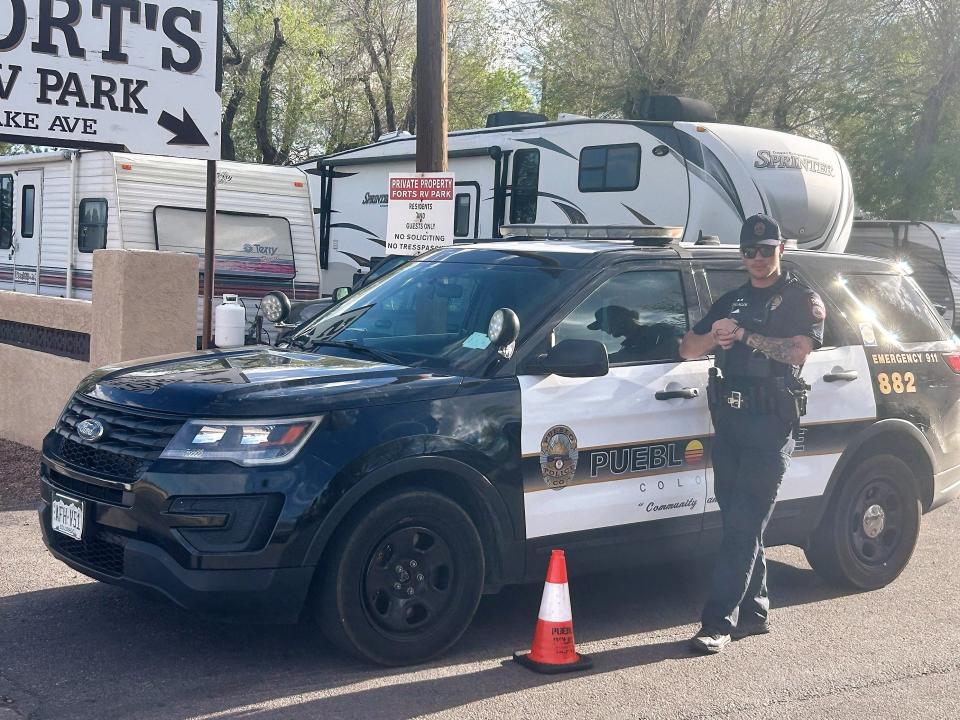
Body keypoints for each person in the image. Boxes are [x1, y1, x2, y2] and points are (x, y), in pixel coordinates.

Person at [678, 214, 825, 654]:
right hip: (731, 422)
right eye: (750, 251)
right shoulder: (733, 300)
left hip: (770, 423)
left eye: (766, 249)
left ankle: (717, 622)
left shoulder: (801, 298)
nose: (758, 259)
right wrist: (717, 335)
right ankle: (757, 611)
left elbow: (797, 351)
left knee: (742, 524)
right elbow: (687, 346)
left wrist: (743, 336)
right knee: (738, 520)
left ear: (782, 249)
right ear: (741, 255)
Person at [588, 305, 682, 363]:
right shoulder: (629, 346)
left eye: (605, 324)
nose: (604, 330)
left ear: (619, 319)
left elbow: (680, 349)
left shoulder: (659, 332)